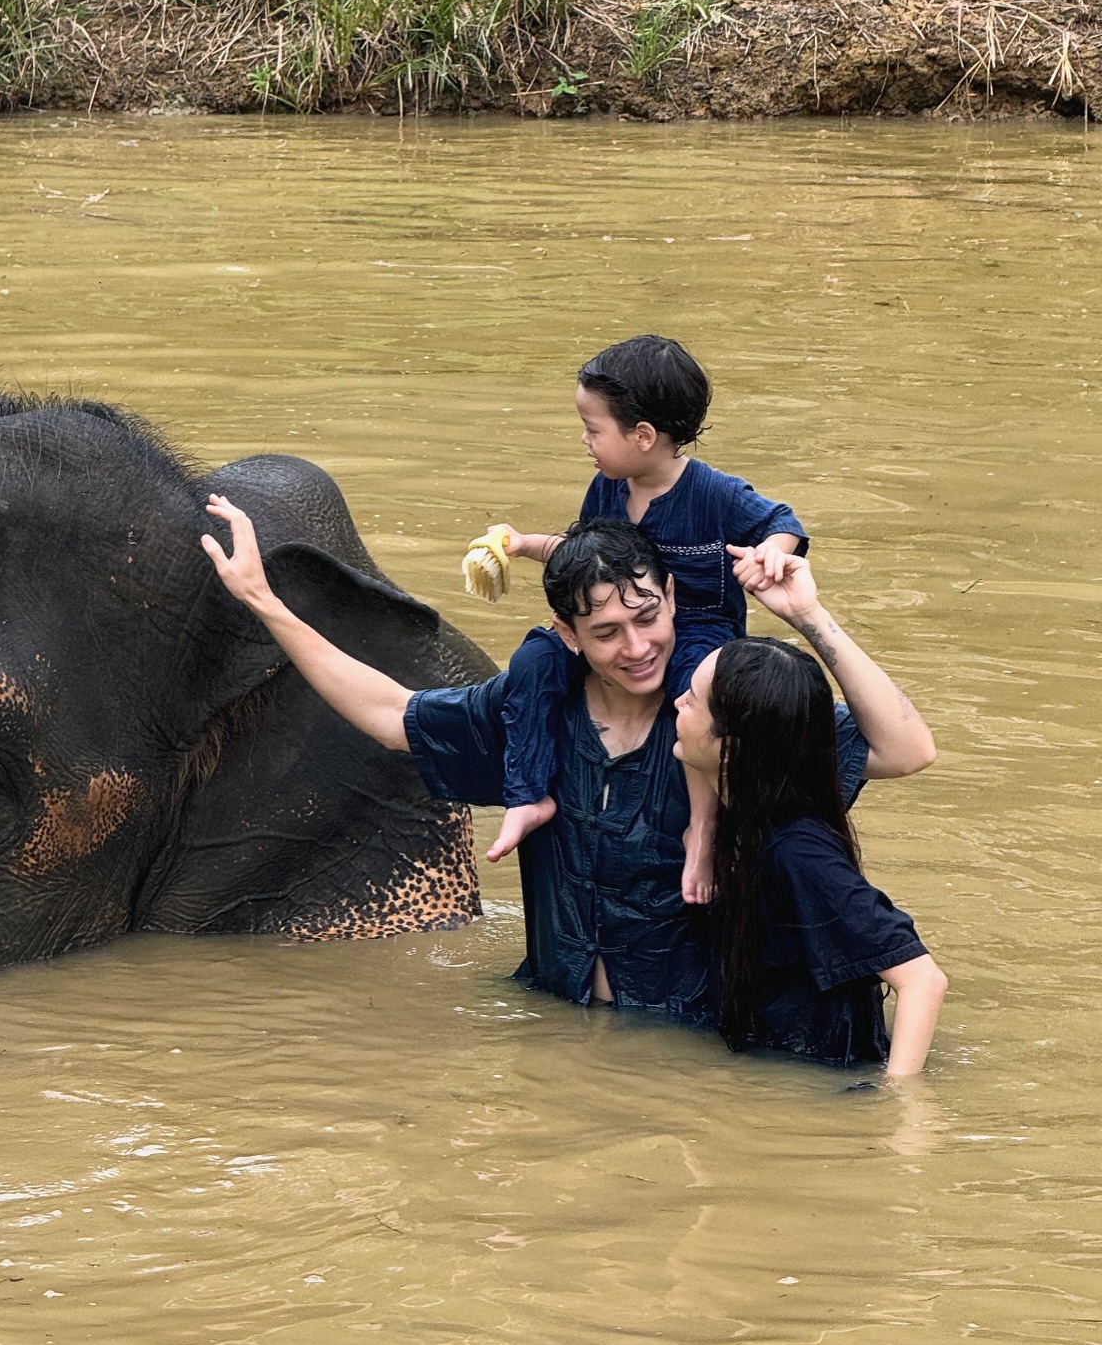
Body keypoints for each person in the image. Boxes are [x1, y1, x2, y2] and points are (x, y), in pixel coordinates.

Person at [201, 502, 942, 1071]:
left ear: (673, 596)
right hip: (560, 1024)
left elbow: (906, 749)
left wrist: (810, 614)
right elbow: (393, 714)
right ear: (566, 633)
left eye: (647, 618)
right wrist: (266, 603)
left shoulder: (723, 721)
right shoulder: (534, 716)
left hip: (694, 1042)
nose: (638, 647)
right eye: (607, 633)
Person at [483, 334, 809, 900]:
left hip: (701, 627)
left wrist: (771, 553)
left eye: (593, 428)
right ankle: (527, 794)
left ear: (643, 436)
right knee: (534, 658)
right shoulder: (608, 489)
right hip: (622, 622)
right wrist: (521, 542)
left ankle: (702, 828)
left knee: (697, 695)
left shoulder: (715, 493)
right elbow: (584, 557)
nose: (585, 441)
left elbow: (783, 522)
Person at [676, 564, 948, 1073]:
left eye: (690, 700)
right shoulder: (748, 807)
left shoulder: (797, 852)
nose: (675, 702)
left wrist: (900, 1111)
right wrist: (701, 828)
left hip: (823, 1079)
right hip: (774, 1070)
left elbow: (922, 979)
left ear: (729, 745)